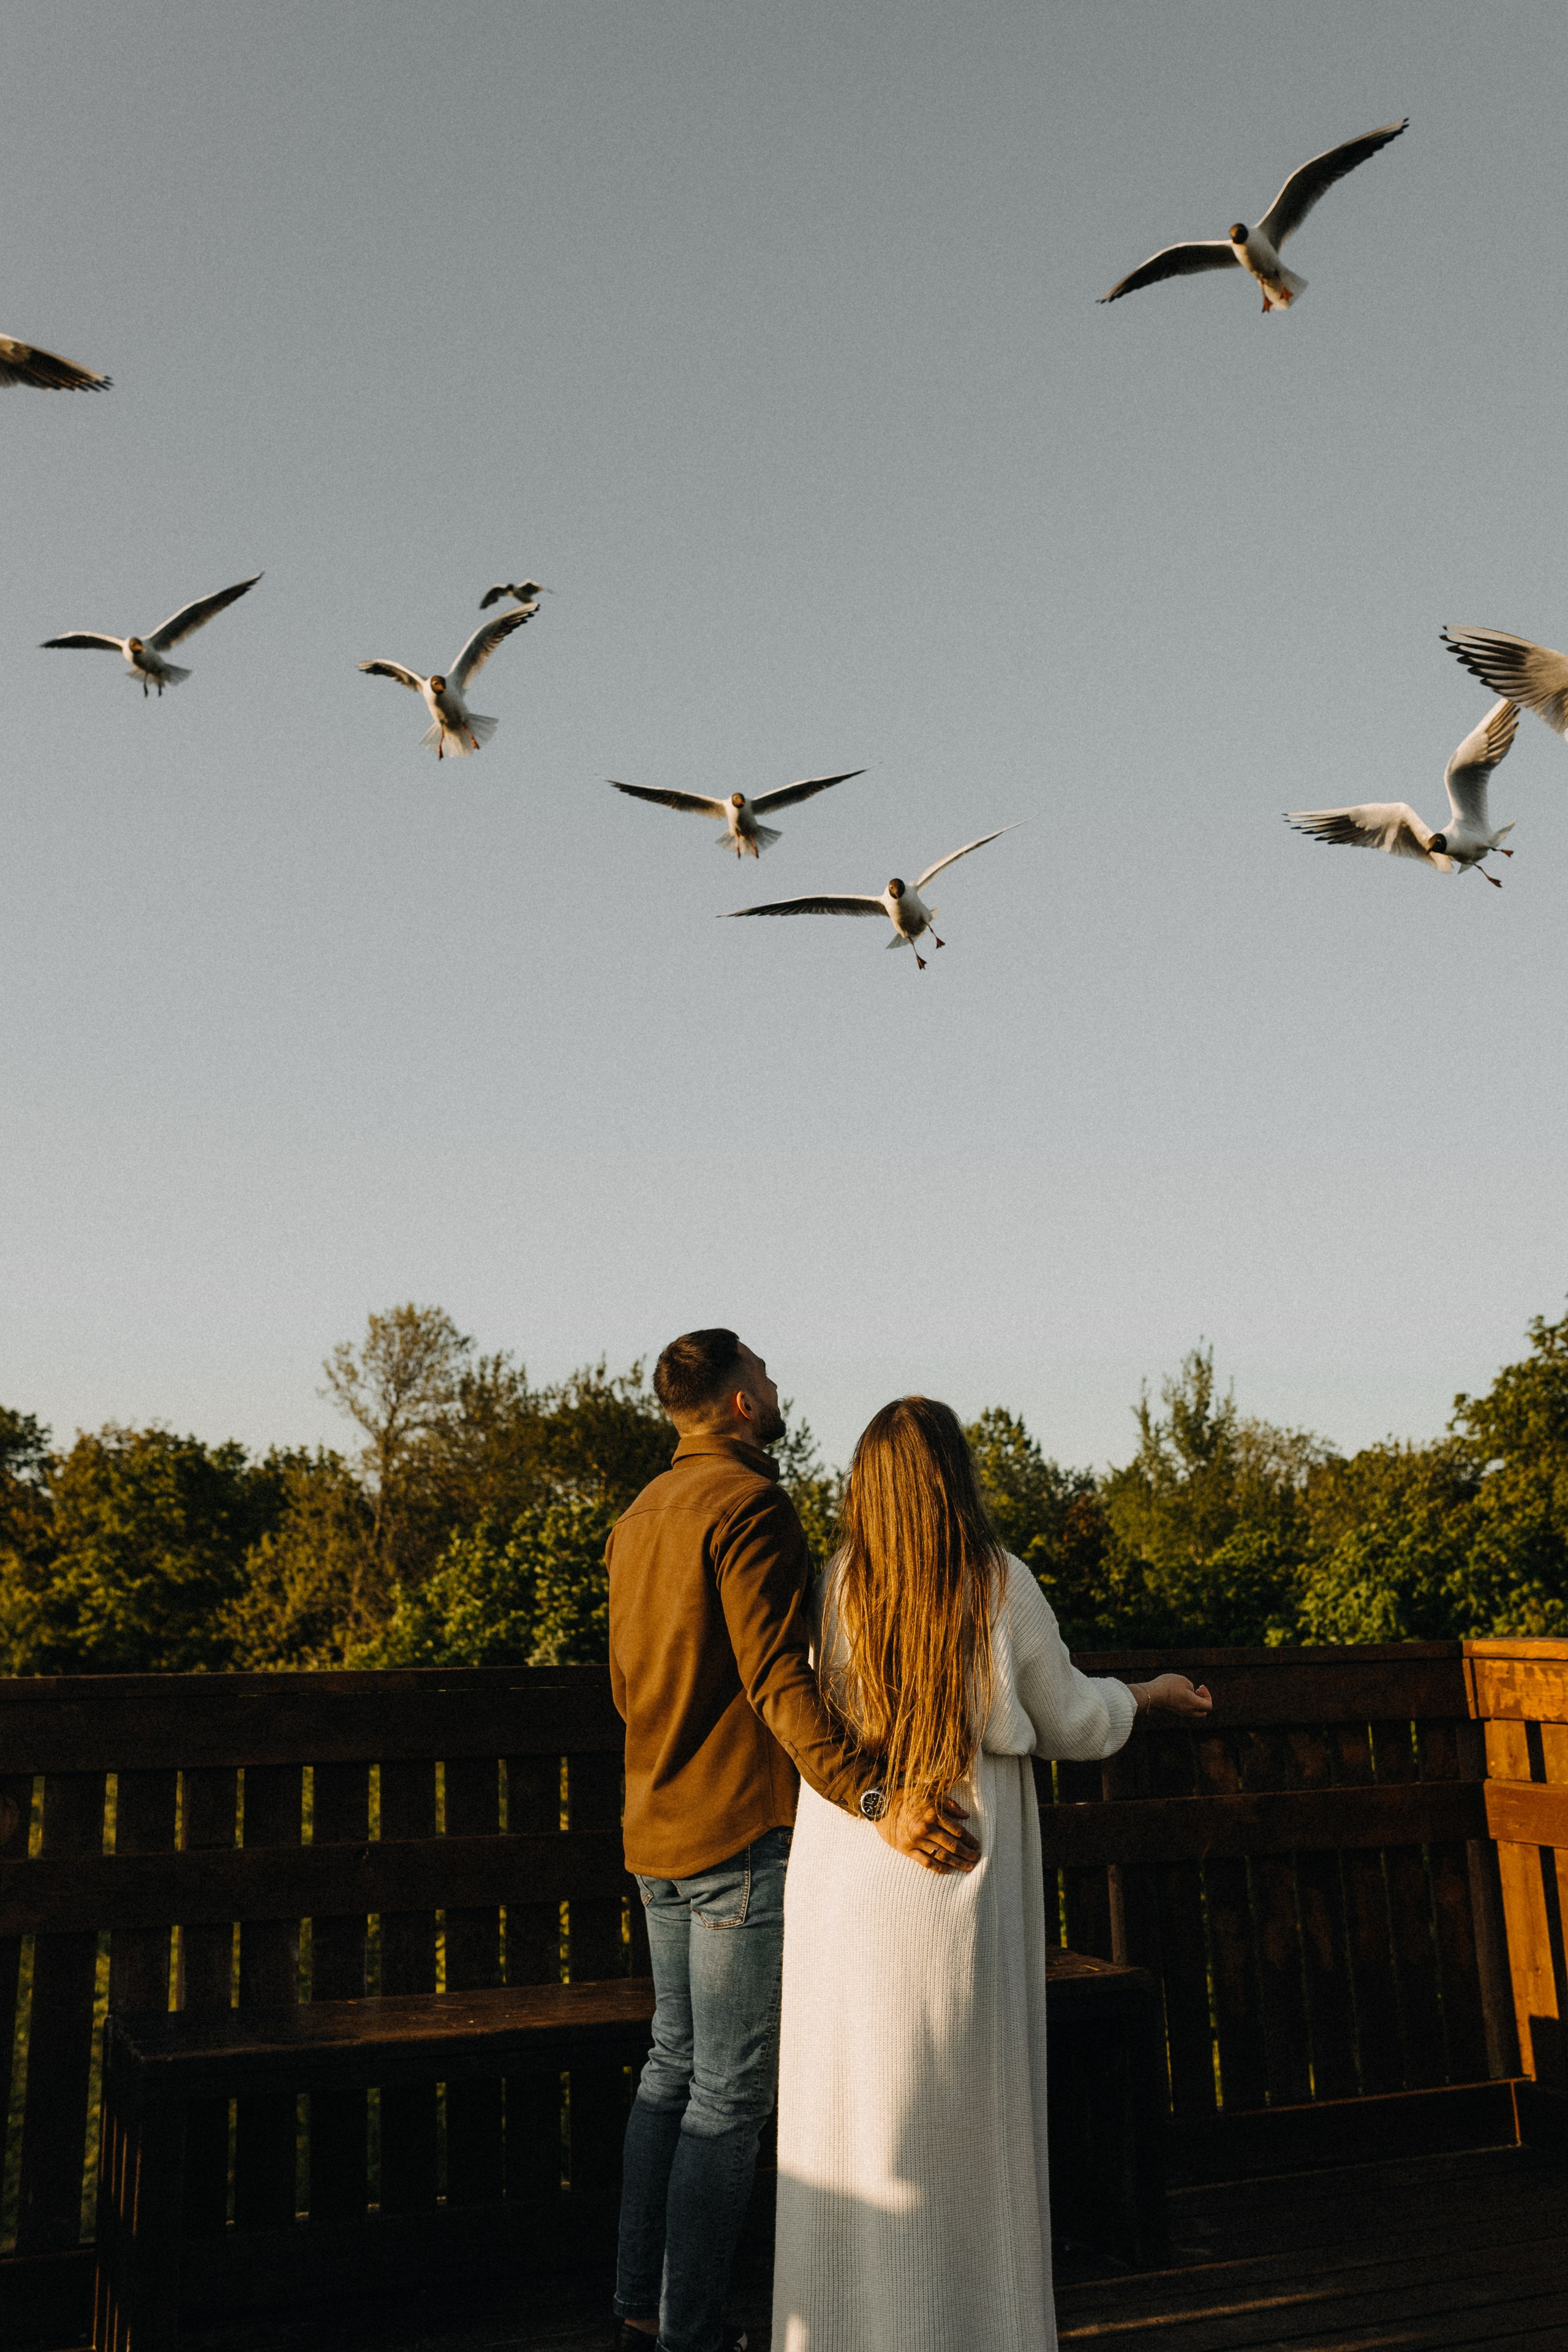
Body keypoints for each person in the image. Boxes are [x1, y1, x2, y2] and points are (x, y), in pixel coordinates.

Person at [771, 1395, 1213, 2352]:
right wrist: (1147, 1692)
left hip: (856, 1872)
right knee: (967, 2119)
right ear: (955, 1477)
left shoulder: (837, 1585)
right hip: (953, 1891)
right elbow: (1070, 1722)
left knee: (854, 2110)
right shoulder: (999, 1583)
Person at [606, 1333, 979, 2352]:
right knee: (725, 2093)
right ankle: (688, 2334)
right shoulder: (750, 1508)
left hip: (654, 1828)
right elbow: (782, 1683)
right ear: (735, 1403)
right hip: (733, 1833)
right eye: (763, 1379)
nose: (777, 1391)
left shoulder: (639, 1515)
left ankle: (639, 2307)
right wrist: (874, 1795)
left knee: (670, 2069)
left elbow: (629, 1688)